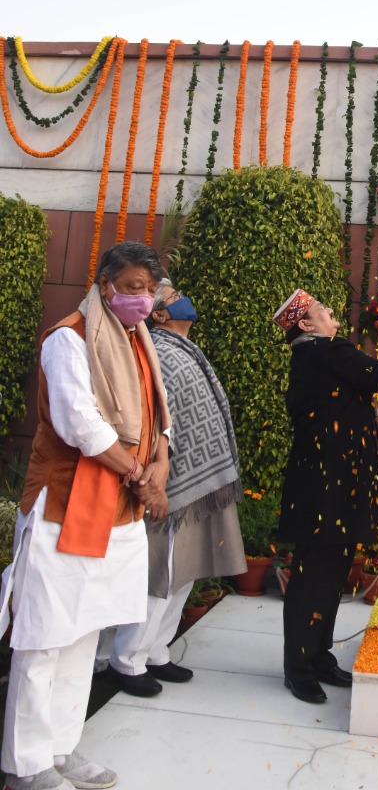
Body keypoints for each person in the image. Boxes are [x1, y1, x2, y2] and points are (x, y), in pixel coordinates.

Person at [0, 242, 171, 790]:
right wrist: (141, 478)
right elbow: (81, 425)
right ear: (104, 286)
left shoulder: (137, 341)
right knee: (44, 640)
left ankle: (61, 751)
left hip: (118, 515)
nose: (142, 300)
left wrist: (161, 462)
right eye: (131, 287)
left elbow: (158, 419)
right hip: (65, 509)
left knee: (83, 636)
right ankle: (25, 766)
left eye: (149, 289)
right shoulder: (69, 338)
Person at [274, 289, 378, 704]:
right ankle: (299, 668)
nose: (331, 313)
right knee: (314, 578)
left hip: (329, 487)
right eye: (321, 311)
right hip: (328, 490)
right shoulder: (327, 350)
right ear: (307, 326)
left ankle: (318, 655)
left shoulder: (311, 357)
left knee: (329, 574)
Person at [99, 280, 246, 695]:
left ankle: (155, 650)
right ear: (159, 314)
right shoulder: (152, 350)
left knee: (184, 574)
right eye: (173, 293)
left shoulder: (179, 349)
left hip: (196, 482)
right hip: (169, 482)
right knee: (160, 576)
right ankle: (125, 661)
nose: (183, 296)